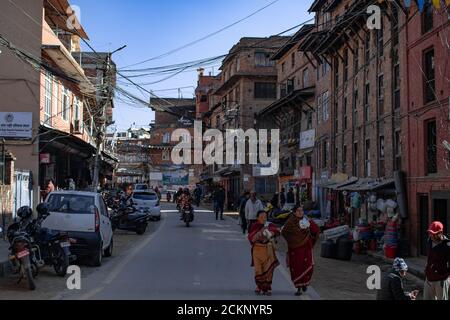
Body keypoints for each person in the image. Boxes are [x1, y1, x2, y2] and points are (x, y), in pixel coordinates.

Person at [281, 205, 320, 296]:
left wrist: (310, 223)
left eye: (302, 211)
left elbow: (316, 230)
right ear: (294, 212)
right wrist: (293, 239)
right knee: (297, 267)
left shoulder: (306, 220)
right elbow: (284, 232)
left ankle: (305, 283)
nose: (300, 212)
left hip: (306, 247)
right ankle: (298, 288)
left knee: (307, 265)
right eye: (298, 211)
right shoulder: (290, 222)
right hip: (295, 249)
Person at [248, 210, 280, 296]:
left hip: (268, 249)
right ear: (257, 218)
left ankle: (268, 287)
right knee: (258, 270)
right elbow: (251, 237)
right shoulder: (254, 226)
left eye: (265, 217)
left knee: (269, 269)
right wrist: (259, 234)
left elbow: (277, 231)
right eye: (261, 217)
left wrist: (272, 233)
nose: (263, 219)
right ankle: (259, 286)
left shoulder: (270, 225)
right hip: (257, 250)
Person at [423, 221, 450, 300]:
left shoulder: (447, 246)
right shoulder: (429, 241)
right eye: (430, 233)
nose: (431, 235)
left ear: (440, 232)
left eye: (434, 233)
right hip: (429, 278)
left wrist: (445, 276)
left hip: (441, 280)